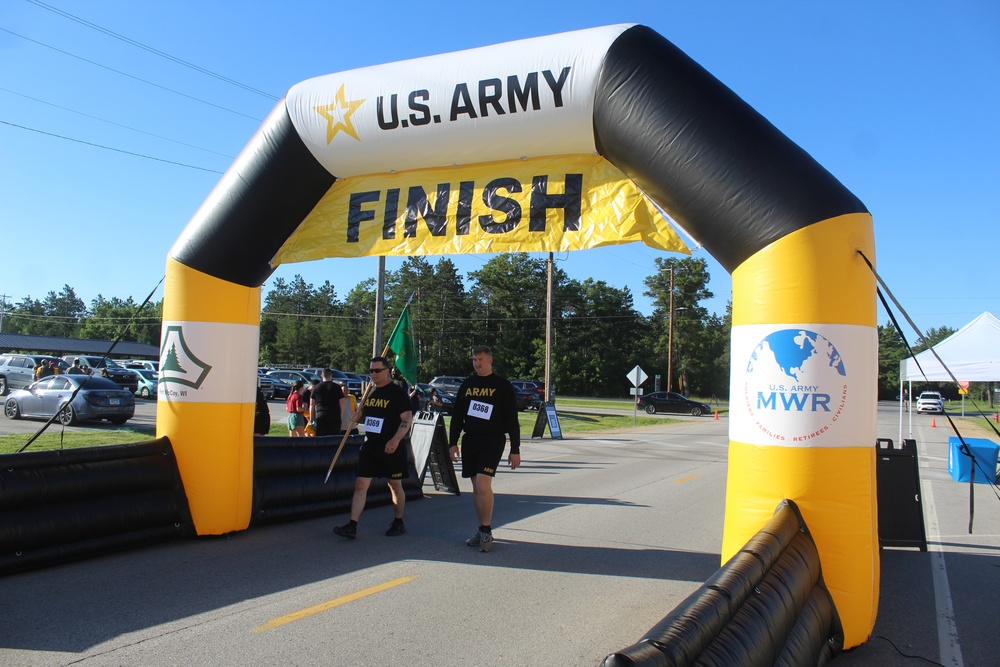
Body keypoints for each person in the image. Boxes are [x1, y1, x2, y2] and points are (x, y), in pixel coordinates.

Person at [448, 345, 521, 552]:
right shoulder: (468, 385)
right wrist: (453, 443)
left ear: (490, 361)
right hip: (471, 440)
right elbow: (457, 416)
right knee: (476, 488)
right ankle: (481, 530)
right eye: (474, 360)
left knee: (482, 485)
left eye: (480, 359)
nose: (476, 363)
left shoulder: (502, 385)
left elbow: (512, 420)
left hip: (493, 440)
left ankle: (487, 531)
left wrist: (515, 449)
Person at [333, 356, 413, 540]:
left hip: (391, 446)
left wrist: (395, 440)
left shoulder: (397, 393)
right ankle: (352, 525)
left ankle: (398, 521)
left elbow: (406, 418)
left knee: (394, 485)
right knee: (361, 484)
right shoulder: (370, 392)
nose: (373, 374)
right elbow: (367, 417)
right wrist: (357, 417)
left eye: (377, 370)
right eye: (371, 371)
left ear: (387, 371)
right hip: (371, 445)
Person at [310, 369, 347, 437]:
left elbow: (312, 405)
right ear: (331, 375)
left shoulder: (316, 388)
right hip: (334, 416)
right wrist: (340, 415)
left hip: (321, 416)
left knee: (321, 439)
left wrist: (312, 419)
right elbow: (342, 402)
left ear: (321, 376)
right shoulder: (337, 387)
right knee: (334, 439)